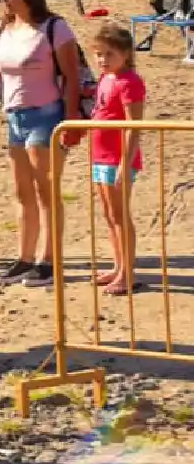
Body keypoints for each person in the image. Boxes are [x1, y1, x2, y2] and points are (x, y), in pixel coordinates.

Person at [0, 0, 84, 289]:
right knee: (22, 192)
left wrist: (70, 119)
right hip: (15, 117)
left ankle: (49, 261)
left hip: (47, 116)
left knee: (46, 191)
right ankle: (25, 257)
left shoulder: (54, 28)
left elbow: (72, 77)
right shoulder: (3, 29)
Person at [90, 25, 146, 297]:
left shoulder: (129, 82)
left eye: (109, 54)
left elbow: (133, 125)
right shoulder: (106, 78)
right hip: (100, 155)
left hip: (117, 157)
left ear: (125, 54)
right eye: (99, 54)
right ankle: (118, 265)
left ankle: (128, 273)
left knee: (120, 215)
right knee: (110, 214)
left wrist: (126, 160)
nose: (103, 59)